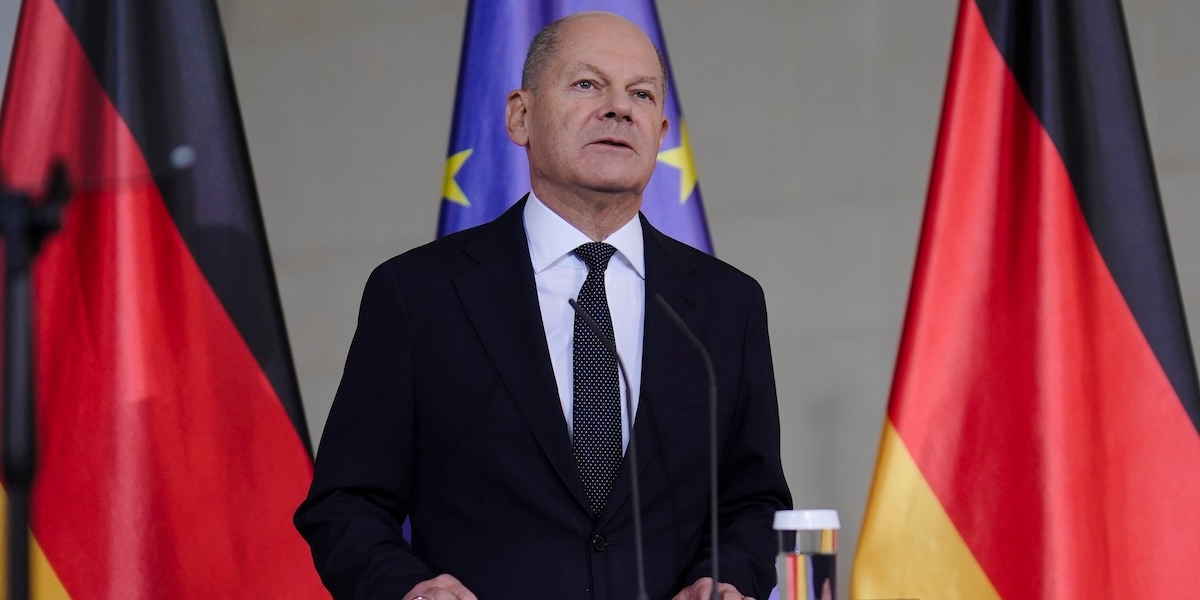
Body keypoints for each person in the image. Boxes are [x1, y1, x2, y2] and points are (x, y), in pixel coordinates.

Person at [294, 11, 791, 600]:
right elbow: (346, 502)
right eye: (587, 84)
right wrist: (410, 589)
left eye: (640, 93)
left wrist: (724, 580)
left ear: (660, 132)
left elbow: (753, 501)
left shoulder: (726, 304)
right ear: (520, 116)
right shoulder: (419, 294)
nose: (618, 108)